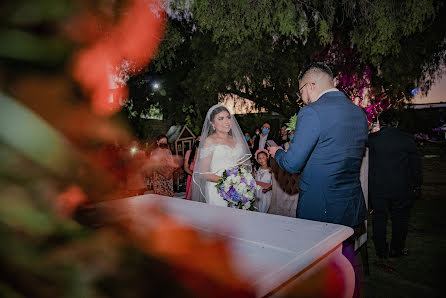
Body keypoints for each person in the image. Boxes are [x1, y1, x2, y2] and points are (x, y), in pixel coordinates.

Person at [268, 62, 368, 228]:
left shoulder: (311, 112)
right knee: (345, 253)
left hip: (321, 208)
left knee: (320, 254)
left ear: (309, 86)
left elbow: (292, 164)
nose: (302, 98)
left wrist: (277, 152)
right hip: (351, 203)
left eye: (301, 91)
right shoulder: (358, 113)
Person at [368, 109, 422, 259]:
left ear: (380, 122)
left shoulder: (371, 139)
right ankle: (396, 250)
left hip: (378, 188)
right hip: (402, 188)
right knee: (400, 220)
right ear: (396, 123)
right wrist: (417, 184)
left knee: (379, 218)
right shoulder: (407, 139)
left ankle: (381, 250)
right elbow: (415, 165)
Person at [192, 104, 252, 206]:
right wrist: (228, 181)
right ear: (212, 123)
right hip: (217, 190)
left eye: (228, 117)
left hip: (237, 189)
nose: (226, 121)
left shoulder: (236, 140)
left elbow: (241, 164)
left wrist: (242, 179)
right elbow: (203, 173)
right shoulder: (209, 141)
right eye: (221, 118)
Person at [184, 136, 201, 200]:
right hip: (191, 179)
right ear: (195, 141)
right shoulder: (189, 152)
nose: (200, 142)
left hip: (201, 179)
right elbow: (186, 167)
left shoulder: (205, 153)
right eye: (198, 140)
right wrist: (194, 174)